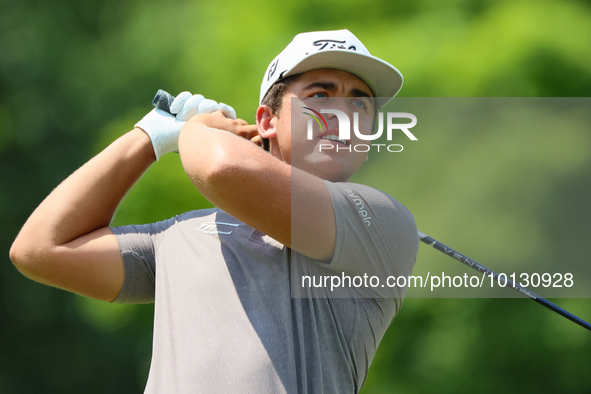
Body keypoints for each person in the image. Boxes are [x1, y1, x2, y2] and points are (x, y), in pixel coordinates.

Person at [10, 29, 419, 393]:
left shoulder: (381, 222)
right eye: (319, 95)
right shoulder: (177, 237)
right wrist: (147, 138)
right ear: (267, 121)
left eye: (360, 104)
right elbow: (41, 249)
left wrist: (197, 129)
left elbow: (219, 167)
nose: (342, 113)